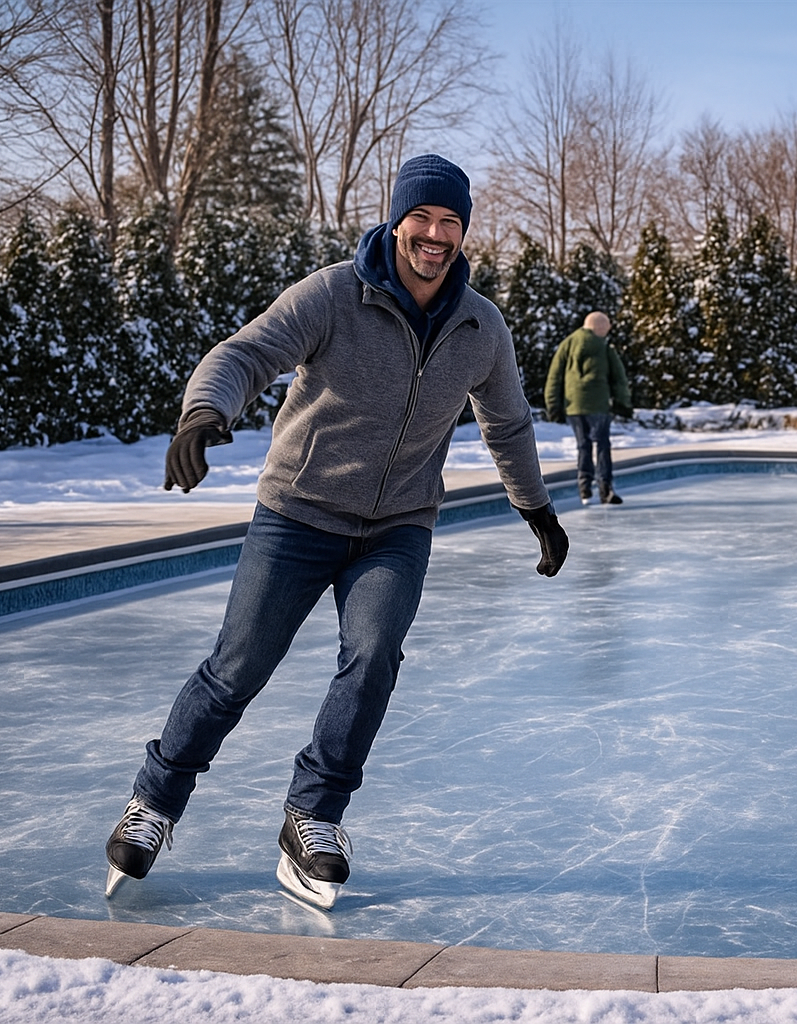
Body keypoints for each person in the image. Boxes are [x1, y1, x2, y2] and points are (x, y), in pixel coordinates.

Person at [104, 154, 570, 910]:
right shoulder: (332, 294)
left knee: (375, 654)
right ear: (396, 220)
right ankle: (153, 802)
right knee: (239, 666)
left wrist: (536, 508)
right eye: (421, 218)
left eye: (450, 222)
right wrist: (203, 412)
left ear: (463, 233)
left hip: (398, 526)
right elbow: (246, 354)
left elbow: (507, 422)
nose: (435, 235)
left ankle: (313, 815)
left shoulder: (480, 325)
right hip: (297, 513)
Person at [544, 311, 632, 505]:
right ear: (599, 327)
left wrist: (553, 404)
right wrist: (623, 403)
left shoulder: (567, 344)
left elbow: (554, 376)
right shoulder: (605, 347)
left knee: (583, 445)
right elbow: (619, 378)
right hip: (598, 404)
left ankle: (584, 489)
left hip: (573, 405)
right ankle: (605, 488)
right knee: (602, 445)